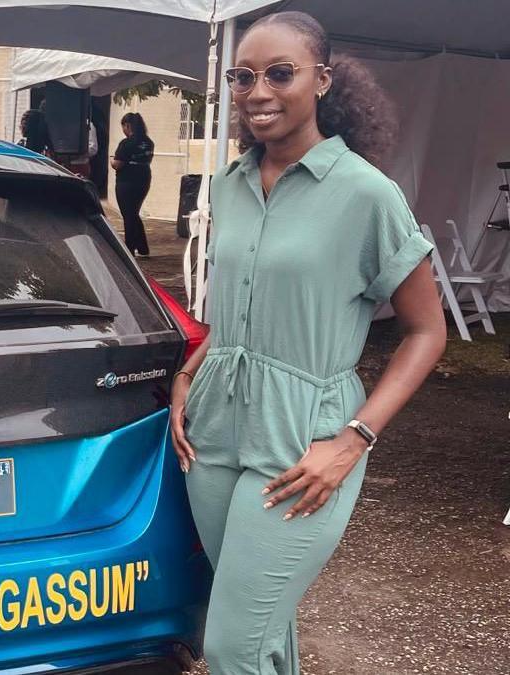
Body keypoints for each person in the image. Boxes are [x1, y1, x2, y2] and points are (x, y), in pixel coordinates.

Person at [169, 12, 445, 674]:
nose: (257, 90)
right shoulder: (229, 185)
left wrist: (354, 439)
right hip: (214, 431)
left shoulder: (366, 195)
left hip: (304, 440)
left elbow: (427, 329)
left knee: (232, 643)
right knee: (261, 625)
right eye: (242, 77)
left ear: (322, 80)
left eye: (279, 73)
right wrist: (189, 373)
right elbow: (240, 308)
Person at [111, 112, 154, 257]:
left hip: (126, 182)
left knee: (128, 215)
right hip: (143, 179)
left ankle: (129, 249)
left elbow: (118, 164)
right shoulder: (148, 142)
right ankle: (142, 247)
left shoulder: (126, 143)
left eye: (123, 126)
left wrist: (112, 161)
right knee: (134, 212)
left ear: (127, 126)